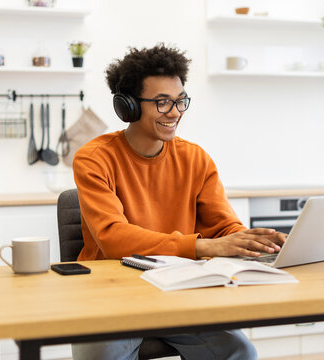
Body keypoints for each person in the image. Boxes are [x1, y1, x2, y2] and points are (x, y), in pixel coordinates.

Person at [72, 43, 286, 360]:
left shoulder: (195, 159)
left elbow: (223, 225)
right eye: (161, 103)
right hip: (112, 295)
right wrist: (201, 246)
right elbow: (113, 237)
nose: (174, 112)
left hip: (178, 291)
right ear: (128, 106)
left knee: (240, 352)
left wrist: (253, 242)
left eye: (180, 101)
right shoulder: (93, 158)